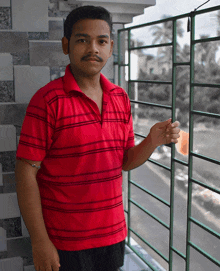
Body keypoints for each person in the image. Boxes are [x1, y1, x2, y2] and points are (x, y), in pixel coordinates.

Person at [15, 5, 180, 271]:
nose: (93, 48)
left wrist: (152, 141)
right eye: (82, 40)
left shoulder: (120, 98)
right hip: (65, 242)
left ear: (111, 47)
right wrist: (39, 242)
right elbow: (25, 173)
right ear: (66, 45)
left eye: (101, 41)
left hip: (113, 235)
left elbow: (124, 161)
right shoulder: (47, 101)